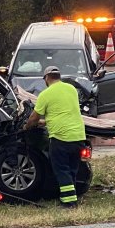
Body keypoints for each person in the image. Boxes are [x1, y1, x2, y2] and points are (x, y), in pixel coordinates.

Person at [23, 65, 85, 208]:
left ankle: (69, 203)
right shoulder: (71, 89)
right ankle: (71, 197)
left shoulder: (45, 94)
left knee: (62, 170)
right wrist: (46, 122)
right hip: (78, 135)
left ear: (46, 78)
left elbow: (34, 117)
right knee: (72, 169)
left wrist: (27, 126)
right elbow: (64, 112)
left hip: (61, 137)